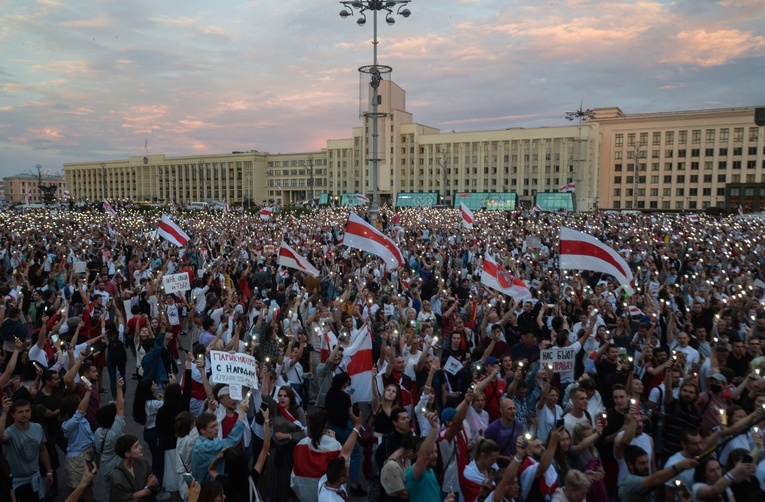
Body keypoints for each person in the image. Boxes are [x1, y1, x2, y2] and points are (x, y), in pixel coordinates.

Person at [291, 408, 362, 502]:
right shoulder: (334, 446)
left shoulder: (300, 445)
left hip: (306, 496)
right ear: (325, 425)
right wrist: (356, 426)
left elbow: (296, 473)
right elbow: (344, 458)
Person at [0, 397, 54, 502]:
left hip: (34, 478)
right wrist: (4, 413)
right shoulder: (10, 432)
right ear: (13, 415)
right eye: (20, 412)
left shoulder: (37, 427)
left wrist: (49, 471)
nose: (24, 414)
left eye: (27, 411)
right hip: (17, 482)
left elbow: (42, 450)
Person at [191, 399, 250, 483]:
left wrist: (211, 410)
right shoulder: (205, 446)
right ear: (202, 430)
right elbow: (231, 442)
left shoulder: (201, 441)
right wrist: (241, 413)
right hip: (207, 491)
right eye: (213, 427)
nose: (217, 428)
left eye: (216, 425)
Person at [618, 445, 697, 501]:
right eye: (642, 463)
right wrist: (679, 466)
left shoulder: (646, 480)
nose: (647, 466)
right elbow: (656, 479)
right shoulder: (628, 482)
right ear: (630, 465)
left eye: (647, 462)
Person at [110, 434, 160, 502]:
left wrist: (135, 495)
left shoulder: (143, 462)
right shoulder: (117, 477)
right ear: (127, 454)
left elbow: (155, 485)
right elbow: (126, 499)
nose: (141, 447)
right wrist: (146, 489)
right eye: (136, 447)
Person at [405, 411, 441, 502]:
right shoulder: (413, 473)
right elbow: (424, 455)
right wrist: (433, 428)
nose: (435, 455)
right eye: (431, 452)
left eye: (436, 452)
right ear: (418, 453)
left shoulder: (431, 471)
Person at [691, 456, 756, 500]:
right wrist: (735, 470)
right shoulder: (697, 487)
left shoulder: (725, 487)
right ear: (704, 474)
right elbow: (714, 490)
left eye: (718, 468)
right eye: (712, 471)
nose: (717, 473)